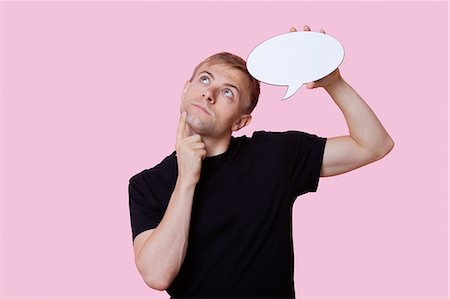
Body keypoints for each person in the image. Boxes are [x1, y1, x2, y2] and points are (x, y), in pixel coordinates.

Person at [128, 25, 394, 298]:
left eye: (228, 92)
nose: (209, 94)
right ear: (186, 89)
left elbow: (374, 144)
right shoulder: (146, 185)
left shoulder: (274, 154)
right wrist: (186, 179)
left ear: (240, 122)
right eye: (205, 80)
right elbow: (157, 275)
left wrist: (333, 82)